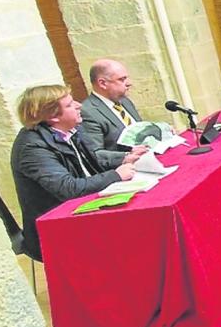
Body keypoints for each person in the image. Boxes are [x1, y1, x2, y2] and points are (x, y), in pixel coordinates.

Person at [11, 85, 139, 261]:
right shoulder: (32, 147)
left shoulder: (71, 129)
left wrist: (125, 158)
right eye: (70, 104)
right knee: (134, 231)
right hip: (58, 227)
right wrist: (116, 175)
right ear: (53, 116)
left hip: (85, 209)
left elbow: (92, 160)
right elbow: (69, 189)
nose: (80, 105)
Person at [79, 59, 145, 163]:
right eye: (121, 79)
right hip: (126, 168)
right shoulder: (88, 112)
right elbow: (96, 154)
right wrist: (128, 154)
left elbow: (140, 130)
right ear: (102, 83)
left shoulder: (124, 101)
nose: (129, 83)